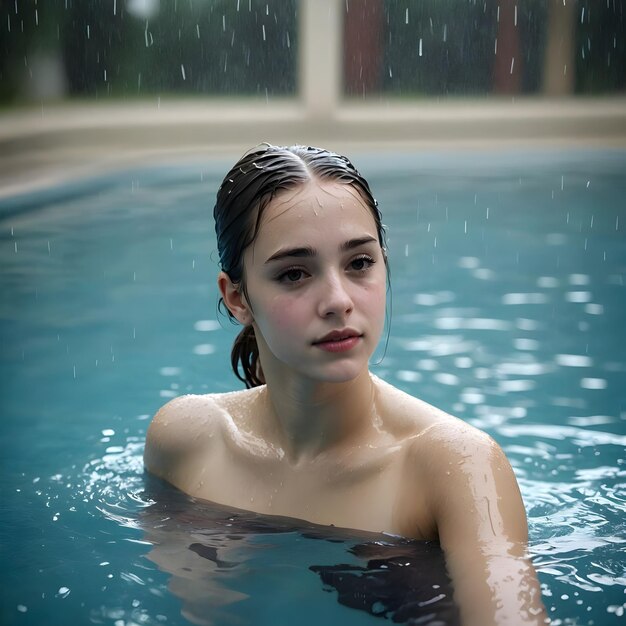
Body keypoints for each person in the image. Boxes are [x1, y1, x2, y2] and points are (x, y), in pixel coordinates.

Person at [144, 144, 547, 625]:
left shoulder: (456, 468)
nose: (338, 300)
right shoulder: (186, 441)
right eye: (295, 273)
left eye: (359, 263)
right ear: (237, 298)